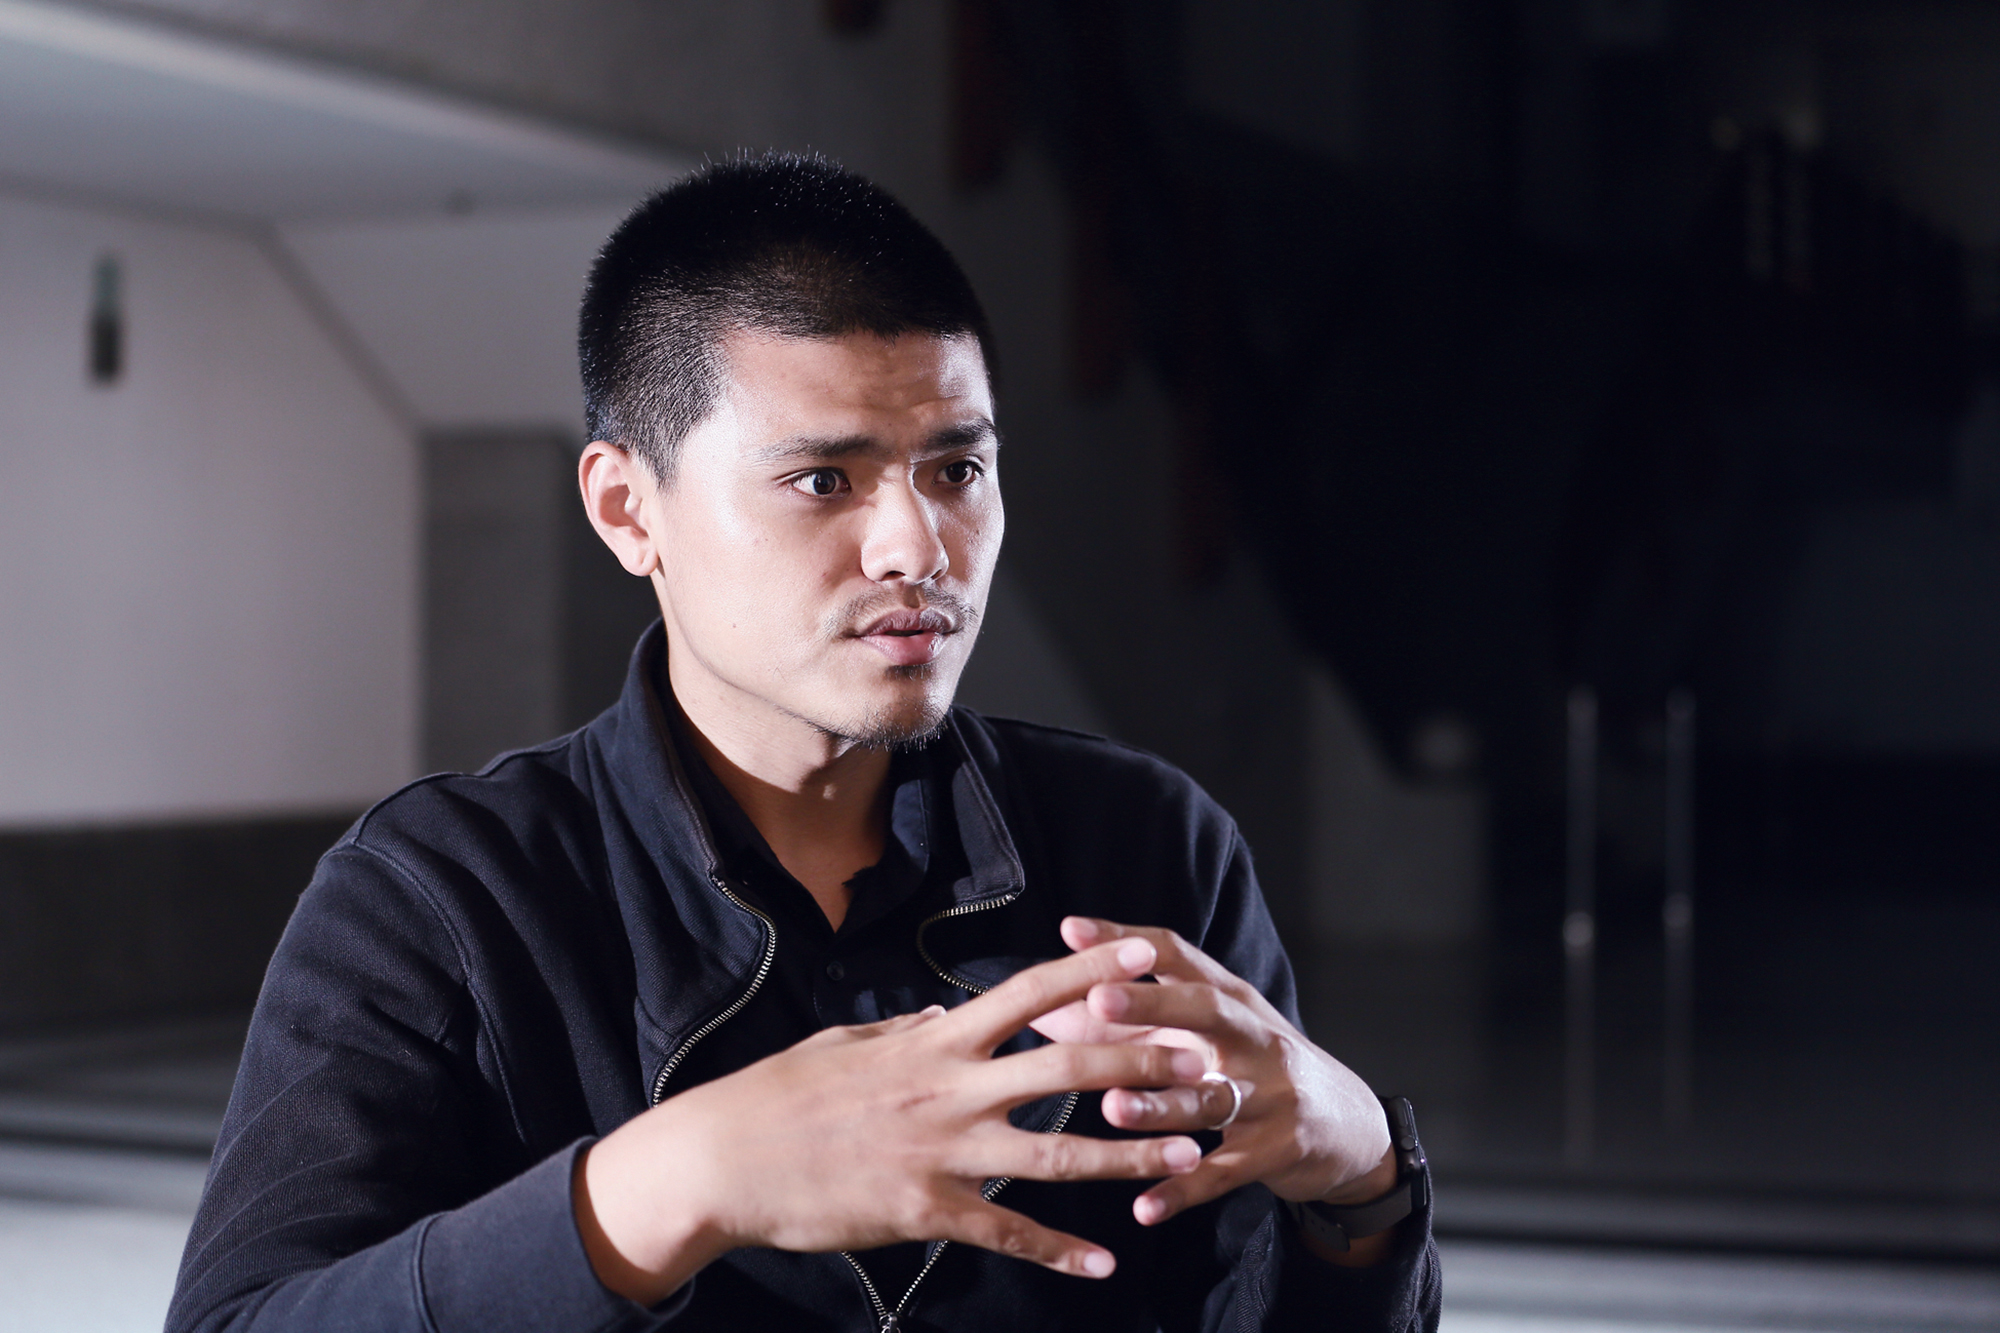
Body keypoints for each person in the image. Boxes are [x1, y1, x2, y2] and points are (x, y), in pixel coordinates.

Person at [167, 154, 1441, 1333]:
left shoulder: (1147, 842)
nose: (917, 548)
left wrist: (1363, 1177)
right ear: (627, 509)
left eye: (956, 470)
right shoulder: (441, 895)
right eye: (823, 480)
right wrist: (673, 1182)